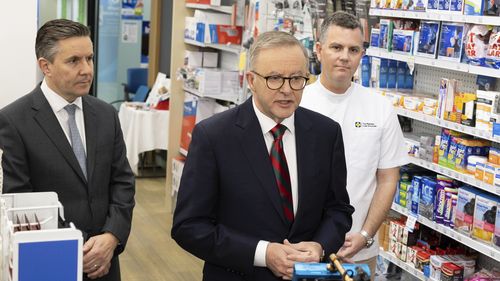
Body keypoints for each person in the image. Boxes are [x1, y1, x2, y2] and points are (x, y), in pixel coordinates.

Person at [171, 31, 354, 281]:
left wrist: (320, 247)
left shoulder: (326, 133)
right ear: (251, 80)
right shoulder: (214, 136)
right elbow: (188, 227)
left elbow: (338, 210)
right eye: (275, 78)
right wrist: (262, 253)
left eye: (297, 79)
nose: (287, 90)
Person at [0, 19, 135, 281]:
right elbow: (20, 200)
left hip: (106, 262)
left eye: (90, 58)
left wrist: (111, 236)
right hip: (52, 261)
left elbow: (122, 182)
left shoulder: (106, 114)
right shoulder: (14, 121)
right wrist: (82, 248)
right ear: (45, 66)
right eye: (74, 61)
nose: (86, 70)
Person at [301, 11, 408, 277]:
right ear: (318, 49)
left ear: (362, 54)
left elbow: (387, 179)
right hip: (300, 248)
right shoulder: (297, 101)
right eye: (336, 47)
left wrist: (366, 234)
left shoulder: (380, 109)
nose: (344, 56)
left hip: (356, 252)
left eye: (353, 49)